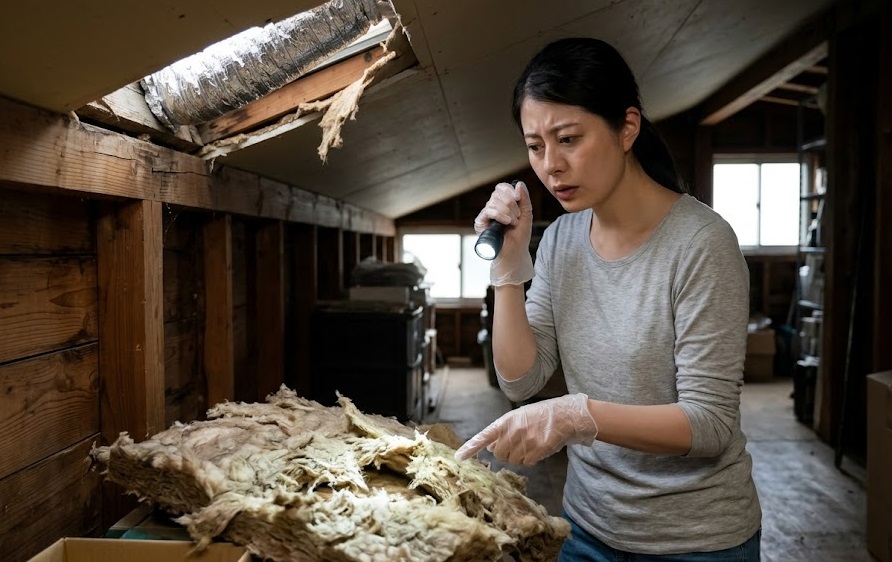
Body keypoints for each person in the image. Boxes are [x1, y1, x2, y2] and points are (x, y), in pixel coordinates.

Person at [454, 38, 762, 561]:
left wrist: (579, 416)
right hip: (587, 528)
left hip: (697, 541)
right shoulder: (561, 241)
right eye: (535, 146)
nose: (550, 165)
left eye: (568, 138)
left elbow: (709, 424)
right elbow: (520, 379)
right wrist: (507, 271)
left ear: (627, 128)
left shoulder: (701, 243)